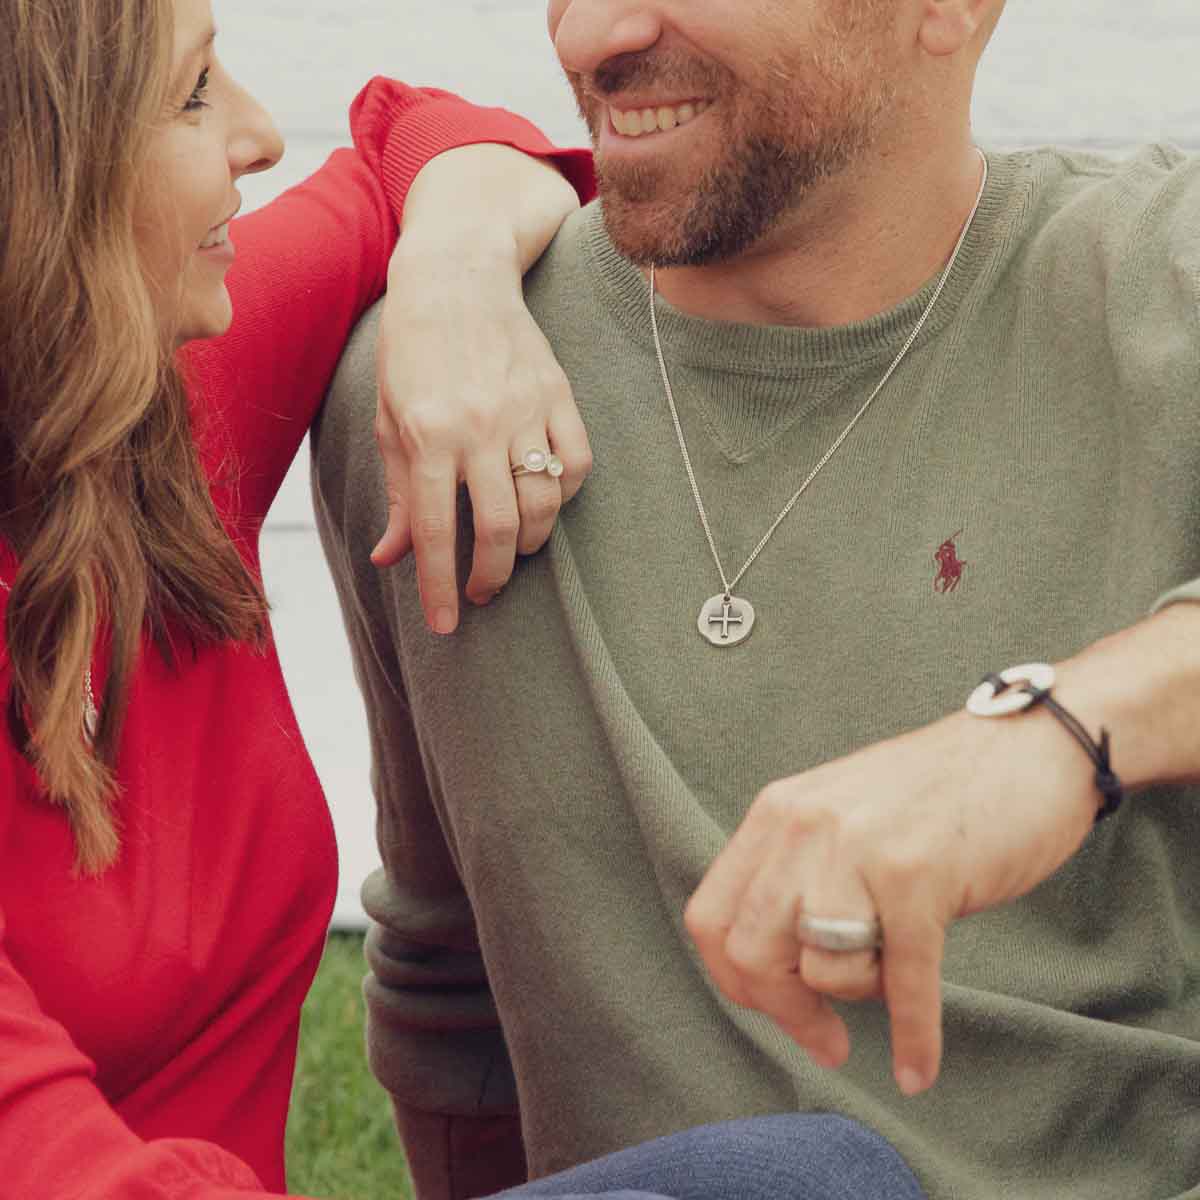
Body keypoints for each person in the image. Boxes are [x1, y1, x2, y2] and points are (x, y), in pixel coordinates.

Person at [313, 0, 1200, 1198]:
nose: (587, 38)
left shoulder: (1161, 292)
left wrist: (1057, 734)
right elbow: (447, 980)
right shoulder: (434, 399)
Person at [0, 0, 603, 1193]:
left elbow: (421, 138)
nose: (262, 135)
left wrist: (453, 283)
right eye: (191, 95)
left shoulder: (158, 411)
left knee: (820, 1168)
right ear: (40, 175)